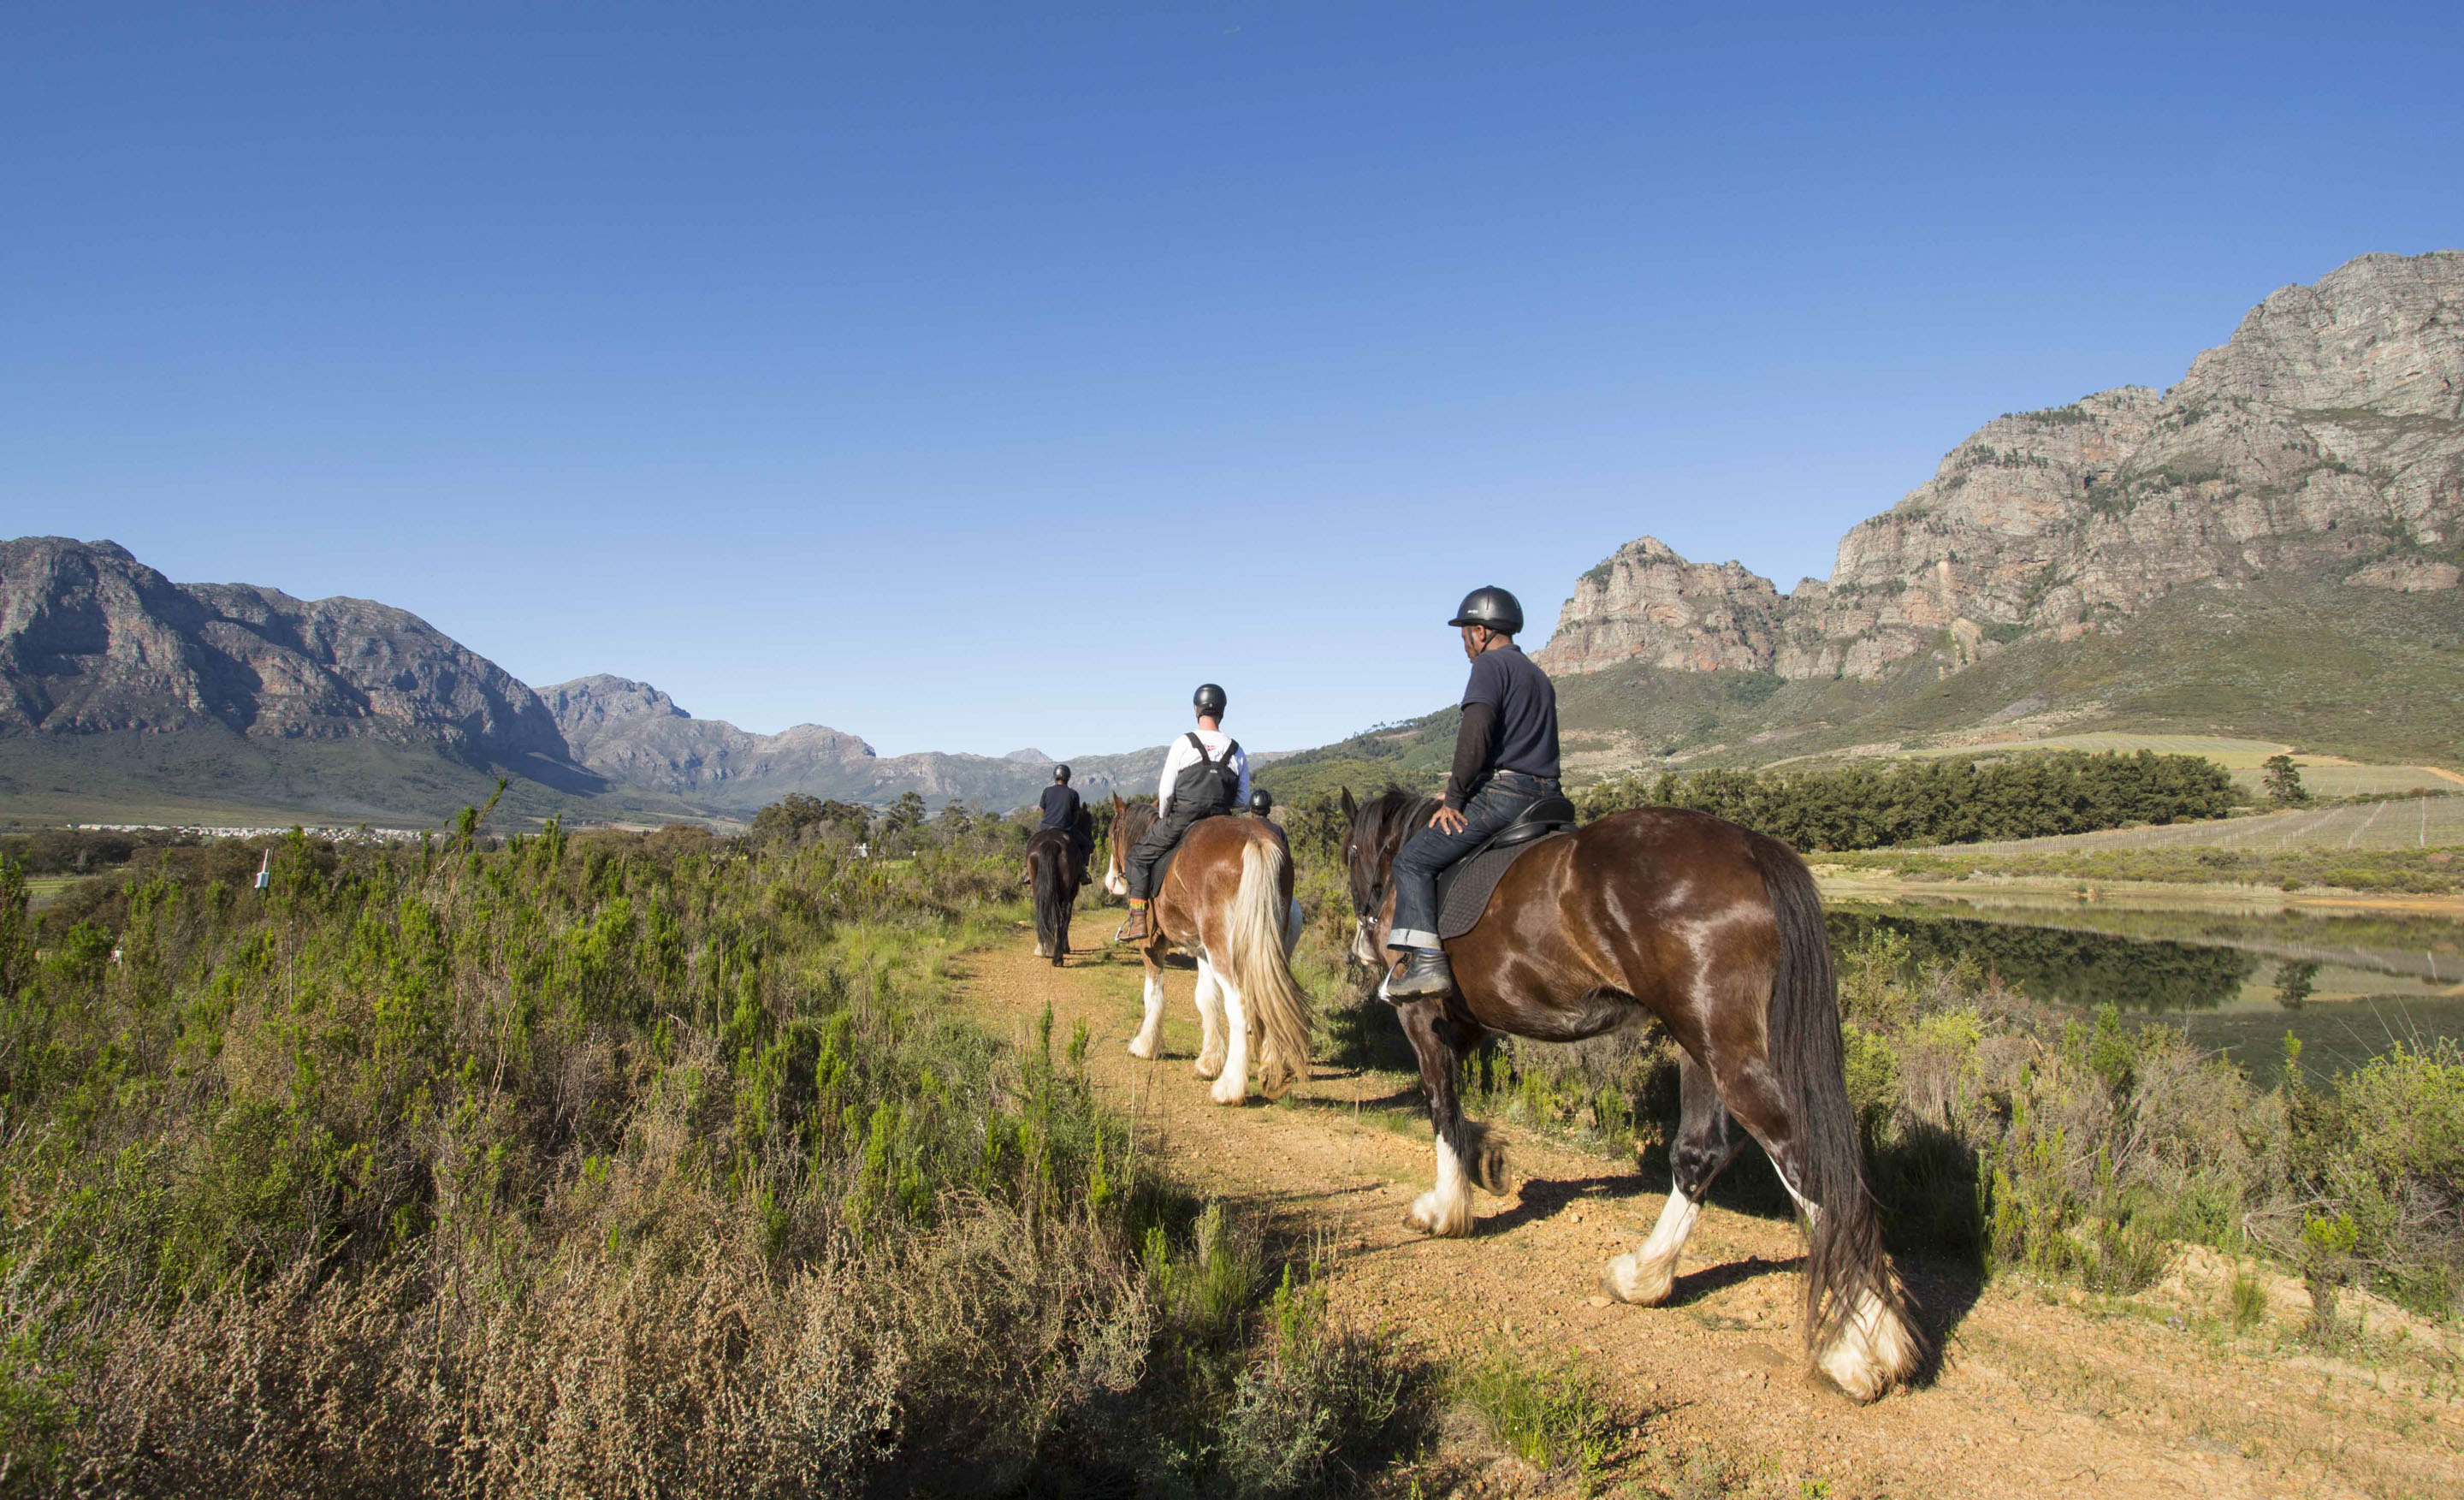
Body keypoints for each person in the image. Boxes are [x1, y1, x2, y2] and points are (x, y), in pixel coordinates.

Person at [1384, 587, 1561, 999]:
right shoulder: (1537, 675)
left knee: (1412, 860)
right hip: (1547, 794)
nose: (1463, 643)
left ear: (1480, 631)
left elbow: (1475, 733)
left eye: (1465, 633)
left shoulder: (1489, 667)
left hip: (1507, 793)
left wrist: (1455, 799)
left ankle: (1426, 963)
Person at [1122, 683, 1249, 940]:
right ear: (1222, 711)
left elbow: (1166, 793)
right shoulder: (1237, 750)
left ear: (1196, 709)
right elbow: (1243, 799)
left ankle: (1138, 920)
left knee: (1136, 857)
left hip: (1182, 819)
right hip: (1222, 820)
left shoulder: (1183, 743)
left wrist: (1165, 817)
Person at [1040, 764, 1090, 880]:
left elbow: (1042, 810)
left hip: (1046, 828)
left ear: (1055, 777)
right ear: (1068, 777)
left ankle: (1027, 870)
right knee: (1086, 844)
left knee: (1030, 842)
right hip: (1065, 829)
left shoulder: (1047, 791)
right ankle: (1083, 872)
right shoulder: (1073, 794)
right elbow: (1076, 815)